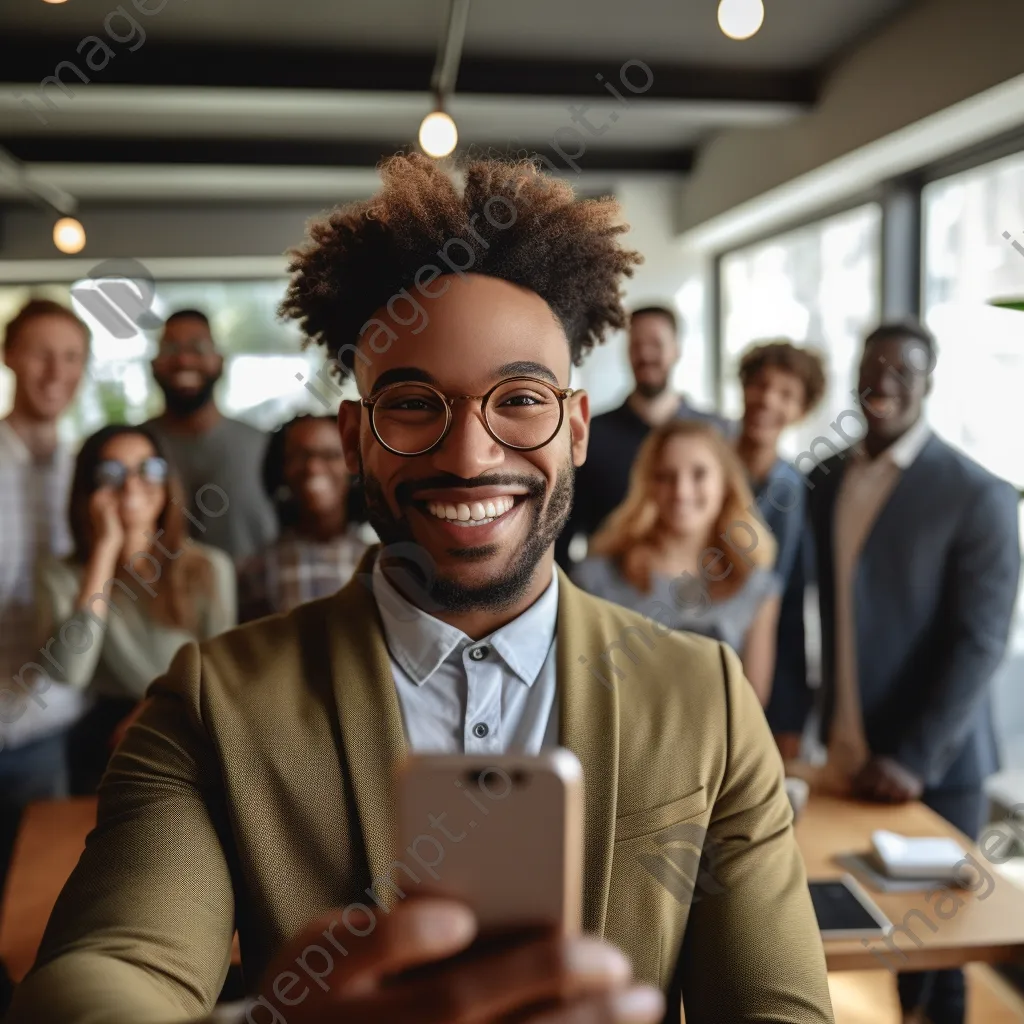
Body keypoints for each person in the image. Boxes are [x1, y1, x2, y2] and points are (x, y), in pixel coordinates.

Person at [7, 155, 834, 1024]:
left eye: (519, 399)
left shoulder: (709, 700)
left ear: (578, 428)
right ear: (356, 438)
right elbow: (96, 975)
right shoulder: (212, 702)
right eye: (412, 404)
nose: (470, 455)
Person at [787, 321, 1020, 1024]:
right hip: (846, 755)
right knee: (866, 932)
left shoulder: (977, 492)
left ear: (929, 383)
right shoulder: (825, 478)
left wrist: (915, 757)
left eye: (903, 370)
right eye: (871, 366)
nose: (883, 381)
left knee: (937, 955)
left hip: (930, 769)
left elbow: (980, 641)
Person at [36, 424, 236, 793]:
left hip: (187, 723)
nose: (131, 485)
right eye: (111, 473)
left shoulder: (209, 568)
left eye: (148, 469)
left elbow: (221, 674)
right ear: (89, 488)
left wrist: (152, 712)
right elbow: (69, 672)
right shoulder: (62, 575)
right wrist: (106, 549)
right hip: (104, 737)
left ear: (166, 481)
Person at [573, 420, 780, 704]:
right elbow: (581, 689)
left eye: (699, 474)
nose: (681, 491)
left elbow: (753, 704)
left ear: (725, 483)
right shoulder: (595, 577)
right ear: (649, 485)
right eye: (665, 476)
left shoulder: (756, 586)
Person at [0, 299, 90, 889]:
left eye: (71, 357)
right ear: (8, 356)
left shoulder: (90, 474)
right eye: (40, 354)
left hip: (46, 724)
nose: (56, 371)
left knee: (35, 902)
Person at [555, 305, 733, 568]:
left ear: (677, 350)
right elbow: (562, 532)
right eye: (636, 344)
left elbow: (733, 520)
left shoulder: (717, 433)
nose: (645, 354)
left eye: (656, 344)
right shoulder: (590, 434)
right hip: (609, 598)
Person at [733, 341, 826, 747]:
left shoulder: (791, 487)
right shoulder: (701, 468)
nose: (768, 399)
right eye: (761, 385)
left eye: (786, 394)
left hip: (767, 666)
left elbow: (780, 595)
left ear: (802, 410)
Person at [144, 309, 278, 563]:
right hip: (155, 600)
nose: (183, 360)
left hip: (253, 601)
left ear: (220, 361)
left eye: (197, 348)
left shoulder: (263, 446)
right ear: (153, 364)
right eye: (171, 349)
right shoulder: (134, 449)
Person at [237, 414, 371, 621]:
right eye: (300, 456)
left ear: (353, 467)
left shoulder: (379, 564)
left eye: (330, 455)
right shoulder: (257, 569)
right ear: (281, 469)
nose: (313, 468)